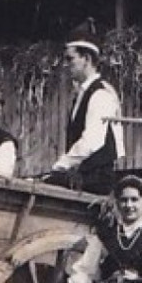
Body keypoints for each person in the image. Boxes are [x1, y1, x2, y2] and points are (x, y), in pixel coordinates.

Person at [45, 32, 125, 193]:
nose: (66, 65)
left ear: (87, 59)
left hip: (95, 180)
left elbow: (93, 140)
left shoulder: (100, 93)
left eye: (70, 59)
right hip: (84, 175)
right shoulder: (82, 93)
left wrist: (61, 165)